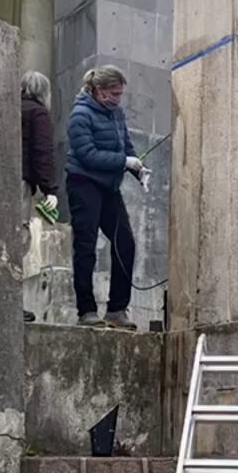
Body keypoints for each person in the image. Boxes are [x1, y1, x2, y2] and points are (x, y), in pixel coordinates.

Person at [65, 65, 146, 329]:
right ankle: (86, 310)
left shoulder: (116, 113)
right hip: (83, 184)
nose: (118, 98)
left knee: (125, 242)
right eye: (114, 93)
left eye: (120, 94)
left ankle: (117, 309)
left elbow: (126, 145)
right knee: (86, 246)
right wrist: (124, 161)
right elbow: (88, 155)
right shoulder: (80, 115)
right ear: (99, 91)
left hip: (109, 187)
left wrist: (139, 169)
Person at [21, 70, 58, 324]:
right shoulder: (38, 113)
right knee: (19, 238)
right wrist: (50, 190)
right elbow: (42, 152)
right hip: (21, 181)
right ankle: (14, 302)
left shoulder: (10, 108)